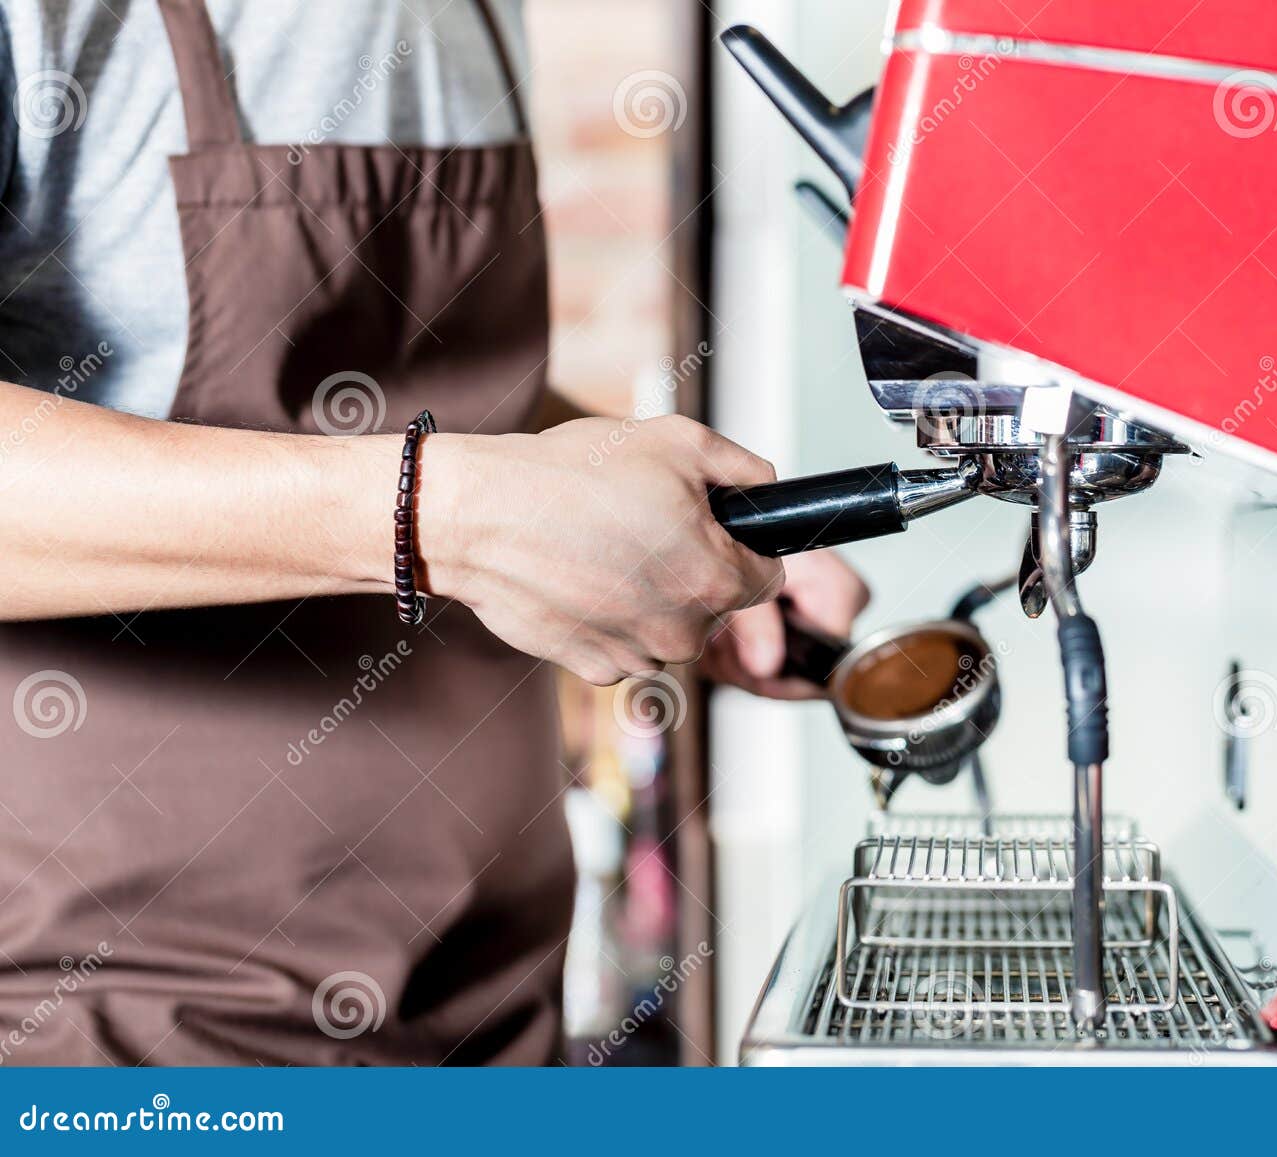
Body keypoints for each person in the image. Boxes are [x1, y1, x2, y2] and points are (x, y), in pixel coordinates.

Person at [0, 1, 867, 1065]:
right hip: (125, 1024)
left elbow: (430, 406)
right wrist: (436, 513)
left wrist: (645, 524)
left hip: (495, 1002)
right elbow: (431, 478)